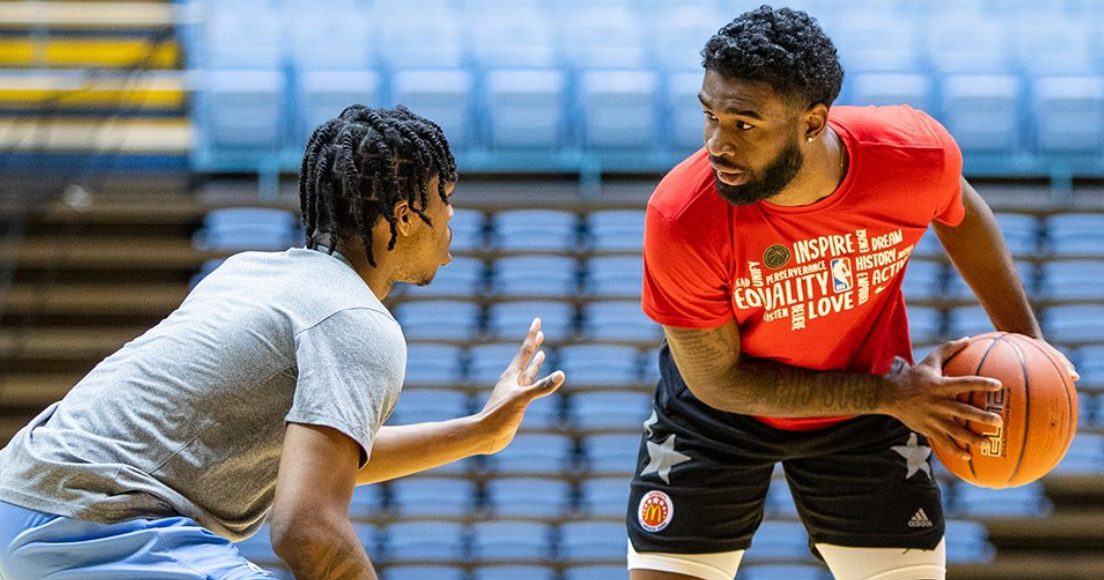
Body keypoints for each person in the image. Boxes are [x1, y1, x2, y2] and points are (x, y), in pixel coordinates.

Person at [0, 105, 565, 580]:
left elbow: (310, 464)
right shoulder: (357, 320)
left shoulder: (249, 270)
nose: (452, 216)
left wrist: (479, 433)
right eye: (445, 196)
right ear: (404, 216)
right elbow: (307, 529)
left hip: (20, 499)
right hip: (98, 520)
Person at [627, 7, 1077, 580]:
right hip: (726, 411)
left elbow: (960, 213)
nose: (717, 143)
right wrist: (889, 396)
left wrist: (1026, 342)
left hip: (869, 400)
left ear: (812, 123)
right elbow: (718, 381)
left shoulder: (911, 154)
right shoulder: (682, 215)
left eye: (744, 124)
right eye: (709, 115)